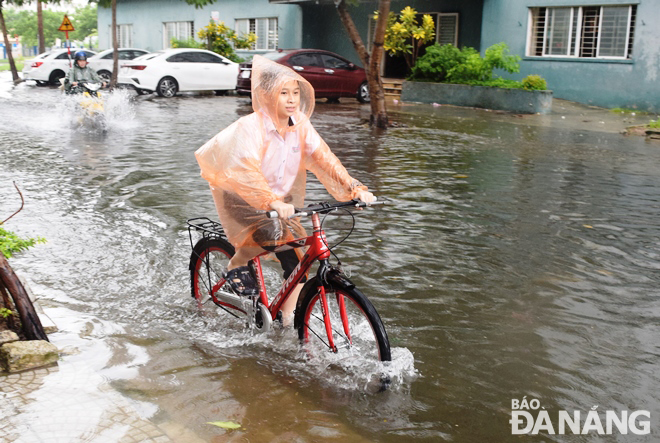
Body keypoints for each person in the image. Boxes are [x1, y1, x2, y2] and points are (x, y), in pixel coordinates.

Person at [195, 55, 375, 326]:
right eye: (283, 93)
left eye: (295, 93)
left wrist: (353, 188)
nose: (291, 99)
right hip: (240, 195)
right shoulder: (251, 127)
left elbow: (324, 158)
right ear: (268, 95)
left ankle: (287, 319)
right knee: (273, 237)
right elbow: (245, 170)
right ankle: (236, 264)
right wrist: (270, 201)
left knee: (300, 258)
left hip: (276, 201)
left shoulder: (300, 124)